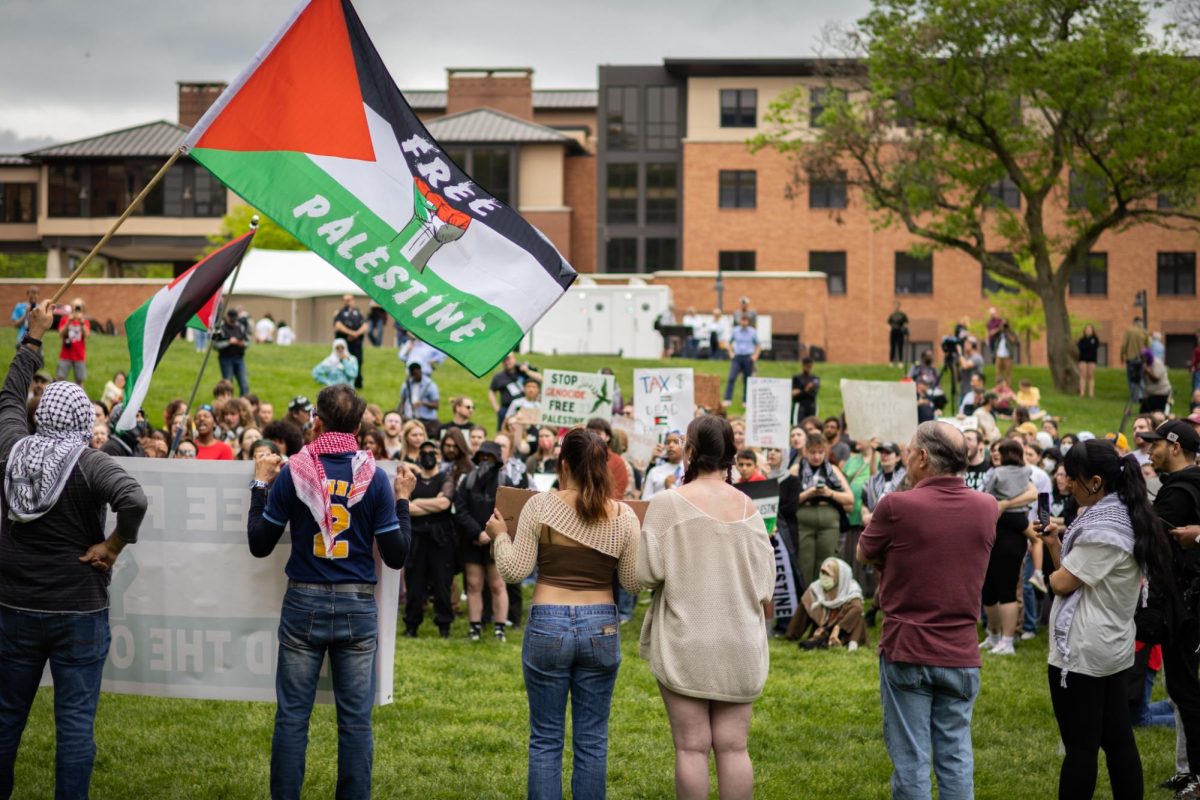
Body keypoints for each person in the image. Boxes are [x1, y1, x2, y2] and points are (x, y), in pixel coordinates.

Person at [0, 300, 148, 799]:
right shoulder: (89, 462)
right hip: (78, 609)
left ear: (41, 415)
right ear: (84, 418)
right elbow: (134, 498)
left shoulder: (11, 448)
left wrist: (32, 340)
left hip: (13, 604)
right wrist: (112, 545)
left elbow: (8, 399)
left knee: (5, 719)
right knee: (75, 725)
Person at [246, 383, 412, 800]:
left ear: (316, 420)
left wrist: (259, 485)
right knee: (355, 723)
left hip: (304, 600)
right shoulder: (373, 478)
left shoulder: (294, 471)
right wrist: (403, 501)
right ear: (358, 425)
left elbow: (259, 542)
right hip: (357, 605)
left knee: (292, 719)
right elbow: (395, 556)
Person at [492, 427, 642, 800]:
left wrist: (498, 534)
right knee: (592, 739)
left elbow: (514, 570)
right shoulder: (623, 516)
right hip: (602, 625)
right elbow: (632, 582)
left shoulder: (540, 506)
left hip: (549, 622)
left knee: (545, 738)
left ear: (563, 463)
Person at [857, 421, 997, 800]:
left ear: (921, 457)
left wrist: (895, 560)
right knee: (955, 757)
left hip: (908, 648)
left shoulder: (896, 505)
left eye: (907, 451)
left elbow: (863, 553)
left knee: (912, 761)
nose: (903, 458)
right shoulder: (987, 507)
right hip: (962, 651)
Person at [638, 415, 775, 800]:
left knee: (691, 747)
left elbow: (645, 574)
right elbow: (766, 585)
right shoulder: (750, 507)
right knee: (734, 747)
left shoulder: (667, 503)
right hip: (740, 641)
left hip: (688, 639)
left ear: (690, 452)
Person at [1037, 438, 1173, 800]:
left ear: (1095, 482)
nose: (1064, 484)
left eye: (1071, 477)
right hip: (1112, 645)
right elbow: (1075, 574)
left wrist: (1050, 567)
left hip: (1084, 652)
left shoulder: (1104, 532)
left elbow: (1062, 582)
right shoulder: (1124, 514)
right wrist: (1055, 544)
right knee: (1118, 742)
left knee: (1081, 749)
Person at [1144, 421, 1200, 797]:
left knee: (1186, 691)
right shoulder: (1185, 485)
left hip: (1189, 608)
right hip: (1185, 605)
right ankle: (1187, 770)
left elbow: (1146, 540)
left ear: (1175, 446)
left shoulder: (1179, 493)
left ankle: (1196, 776)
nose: (1148, 449)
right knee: (1180, 691)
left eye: (1155, 443)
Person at [979, 440, 1038, 655]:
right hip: (1005, 530)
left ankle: (1006, 640)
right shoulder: (1026, 471)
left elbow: (986, 494)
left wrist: (1002, 503)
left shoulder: (997, 473)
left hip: (1008, 533)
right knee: (990, 589)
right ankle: (994, 635)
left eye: (998, 451)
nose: (995, 454)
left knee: (1005, 590)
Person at [452, 441, 510, 642]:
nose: (486, 461)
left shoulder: (505, 481)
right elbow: (460, 510)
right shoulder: (468, 480)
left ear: (497, 460)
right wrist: (477, 533)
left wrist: (493, 535)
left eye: (490, 457)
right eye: (482, 457)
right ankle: (474, 627)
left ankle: (499, 628)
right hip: (473, 541)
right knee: (473, 584)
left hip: (497, 542)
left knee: (497, 585)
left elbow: (511, 512)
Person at [780, 435, 853, 587]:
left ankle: (826, 600)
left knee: (826, 561)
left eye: (821, 452)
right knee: (804, 562)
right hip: (804, 519)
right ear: (805, 451)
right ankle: (806, 603)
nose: (817, 456)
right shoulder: (796, 470)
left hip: (829, 519)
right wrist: (809, 493)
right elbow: (788, 501)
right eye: (813, 452)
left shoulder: (832, 470)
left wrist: (830, 493)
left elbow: (849, 498)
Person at [404, 440, 456, 639]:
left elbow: (444, 503)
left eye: (431, 452)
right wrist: (427, 505)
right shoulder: (413, 480)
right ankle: (412, 625)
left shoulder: (445, 478)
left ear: (438, 456)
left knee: (442, 584)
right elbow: (405, 506)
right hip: (417, 538)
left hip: (440, 540)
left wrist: (417, 502)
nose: (427, 455)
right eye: (423, 452)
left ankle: (444, 626)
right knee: (414, 584)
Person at [786, 557, 868, 650]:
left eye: (828, 574)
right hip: (824, 626)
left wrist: (838, 627)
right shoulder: (816, 588)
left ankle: (852, 643)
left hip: (845, 627)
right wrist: (792, 634)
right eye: (822, 572)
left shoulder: (850, 588)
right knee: (808, 598)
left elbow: (857, 608)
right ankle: (826, 639)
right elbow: (803, 611)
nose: (824, 577)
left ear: (838, 576)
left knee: (857, 615)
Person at [489, 353, 543, 431]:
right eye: (504, 360)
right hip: (506, 409)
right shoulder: (499, 377)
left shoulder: (523, 372)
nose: (507, 362)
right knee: (504, 430)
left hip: (525, 407)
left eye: (509, 359)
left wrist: (527, 371)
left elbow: (540, 379)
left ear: (514, 359)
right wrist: (497, 409)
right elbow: (491, 391)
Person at [722, 314, 760, 404]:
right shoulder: (735, 331)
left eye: (745, 320)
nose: (744, 322)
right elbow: (728, 342)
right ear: (740, 321)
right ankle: (727, 399)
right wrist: (731, 353)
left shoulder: (752, 332)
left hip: (748, 357)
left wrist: (755, 356)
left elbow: (758, 345)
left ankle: (745, 400)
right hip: (737, 357)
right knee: (731, 377)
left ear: (748, 321)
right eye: (742, 320)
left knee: (747, 380)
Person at [333, 294, 368, 390]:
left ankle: (358, 382)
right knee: (344, 362)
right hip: (345, 343)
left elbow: (365, 325)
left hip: (356, 344)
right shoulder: (340, 313)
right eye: (345, 300)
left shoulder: (358, 312)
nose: (347, 302)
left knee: (358, 361)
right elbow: (338, 325)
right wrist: (350, 333)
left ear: (353, 300)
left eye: (349, 300)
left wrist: (356, 334)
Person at [213, 307, 251, 396]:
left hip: (239, 358)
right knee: (228, 383)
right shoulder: (220, 328)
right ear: (227, 317)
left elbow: (247, 342)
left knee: (244, 384)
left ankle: (244, 403)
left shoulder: (240, 327)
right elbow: (215, 345)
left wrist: (241, 344)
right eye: (231, 319)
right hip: (226, 358)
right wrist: (229, 342)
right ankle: (229, 403)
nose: (233, 322)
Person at [55, 298, 90, 386]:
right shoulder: (65, 319)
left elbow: (87, 335)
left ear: (83, 309)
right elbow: (60, 334)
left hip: (79, 355)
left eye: (79, 307)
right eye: (75, 306)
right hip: (65, 354)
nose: (76, 309)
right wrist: (68, 322)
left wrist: (82, 323)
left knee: (80, 380)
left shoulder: (84, 321)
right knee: (60, 378)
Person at [643, 431, 684, 500]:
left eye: (676, 442)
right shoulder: (655, 471)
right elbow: (644, 500)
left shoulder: (689, 471)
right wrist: (665, 491)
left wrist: (671, 488)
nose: (670, 445)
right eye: (667, 442)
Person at [1121, 320, 1151, 405]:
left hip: (1131, 358)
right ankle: (1142, 396)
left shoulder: (1129, 331)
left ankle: (1135, 397)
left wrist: (1122, 355)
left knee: (1132, 379)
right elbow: (1149, 345)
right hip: (1141, 359)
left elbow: (1124, 344)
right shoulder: (1144, 332)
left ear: (1134, 324)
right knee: (1141, 378)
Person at [1140, 348, 1172, 414]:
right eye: (1142, 357)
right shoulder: (1144, 364)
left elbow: (1156, 378)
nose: (1143, 359)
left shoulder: (1157, 363)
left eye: (1145, 357)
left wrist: (1147, 371)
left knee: (1157, 414)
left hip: (1161, 393)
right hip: (1150, 394)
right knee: (1143, 412)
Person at [791, 357, 820, 424]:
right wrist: (806, 389)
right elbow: (794, 393)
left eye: (810, 366)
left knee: (812, 425)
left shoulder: (815, 378)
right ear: (803, 366)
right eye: (807, 366)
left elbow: (814, 393)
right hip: (800, 406)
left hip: (811, 406)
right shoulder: (797, 378)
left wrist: (802, 390)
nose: (809, 368)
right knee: (798, 424)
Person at [1078, 324, 1100, 398]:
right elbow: (1081, 347)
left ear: (1092, 331)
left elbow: (1094, 347)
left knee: (1091, 376)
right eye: (1087, 329)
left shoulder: (1095, 339)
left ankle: (1091, 393)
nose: (1088, 331)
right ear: (1085, 331)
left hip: (1092, 360)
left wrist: (1087, 346)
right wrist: (1088, 346)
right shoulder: (1082, 340)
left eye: (1090, 329)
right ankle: (1082, 393)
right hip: (1083, 359)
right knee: (1082, 375)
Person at [993, 322, 1015, 386]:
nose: (1004, 327)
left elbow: (1013, 340)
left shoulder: (1011, 332)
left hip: (1008, 356)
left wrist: (1007, 332)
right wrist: (999, 328)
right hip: (999, 355)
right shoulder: (999, 333)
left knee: (1008, 373)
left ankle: (1007, 388)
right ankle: (998, 387)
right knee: (998, 373)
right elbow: (991, 334)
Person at [887, 302, 909, 367]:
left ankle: (900, 362)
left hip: (900, 332)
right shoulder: (892, 315)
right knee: (892, 347)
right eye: (895, 306)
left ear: (899, 306)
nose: (896, 307)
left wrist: (904, 328)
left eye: (897, 306)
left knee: (900, 347)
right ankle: (891, 362)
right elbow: (888, 323)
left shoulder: (902, 315)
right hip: (893, 332)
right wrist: (889, 328)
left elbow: (906, 322)